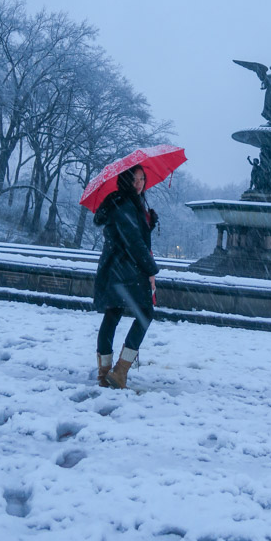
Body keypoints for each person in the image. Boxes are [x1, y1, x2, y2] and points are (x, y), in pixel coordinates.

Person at [93, 165, 159, 389]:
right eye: (135, 179)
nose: (139, 183)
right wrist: (151, 270)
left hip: (116, 268)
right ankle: (119, 371)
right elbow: (134, 242)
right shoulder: (125, 204)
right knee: (145, 314)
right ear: (126, 181)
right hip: (126, 270)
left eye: (142, 179)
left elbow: (131, 235)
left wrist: (148, 224)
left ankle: (105, 374)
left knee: (112, 315)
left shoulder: (124, 202)